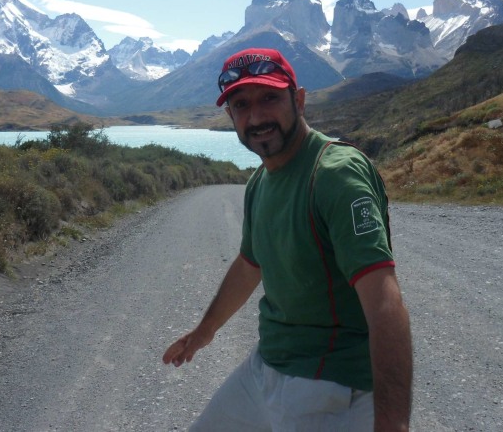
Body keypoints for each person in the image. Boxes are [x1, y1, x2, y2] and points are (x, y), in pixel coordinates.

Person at [162, 47, 413, 431]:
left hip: (330, 384)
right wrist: (205, 331)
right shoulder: (259, 183)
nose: (256, 116)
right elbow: (251, 265)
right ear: (230, 115)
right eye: (241, 104)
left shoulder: (335, 175)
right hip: (267, 366)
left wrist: (392, 425)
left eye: (269, 98)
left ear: (298, 99)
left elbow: (384, 303)